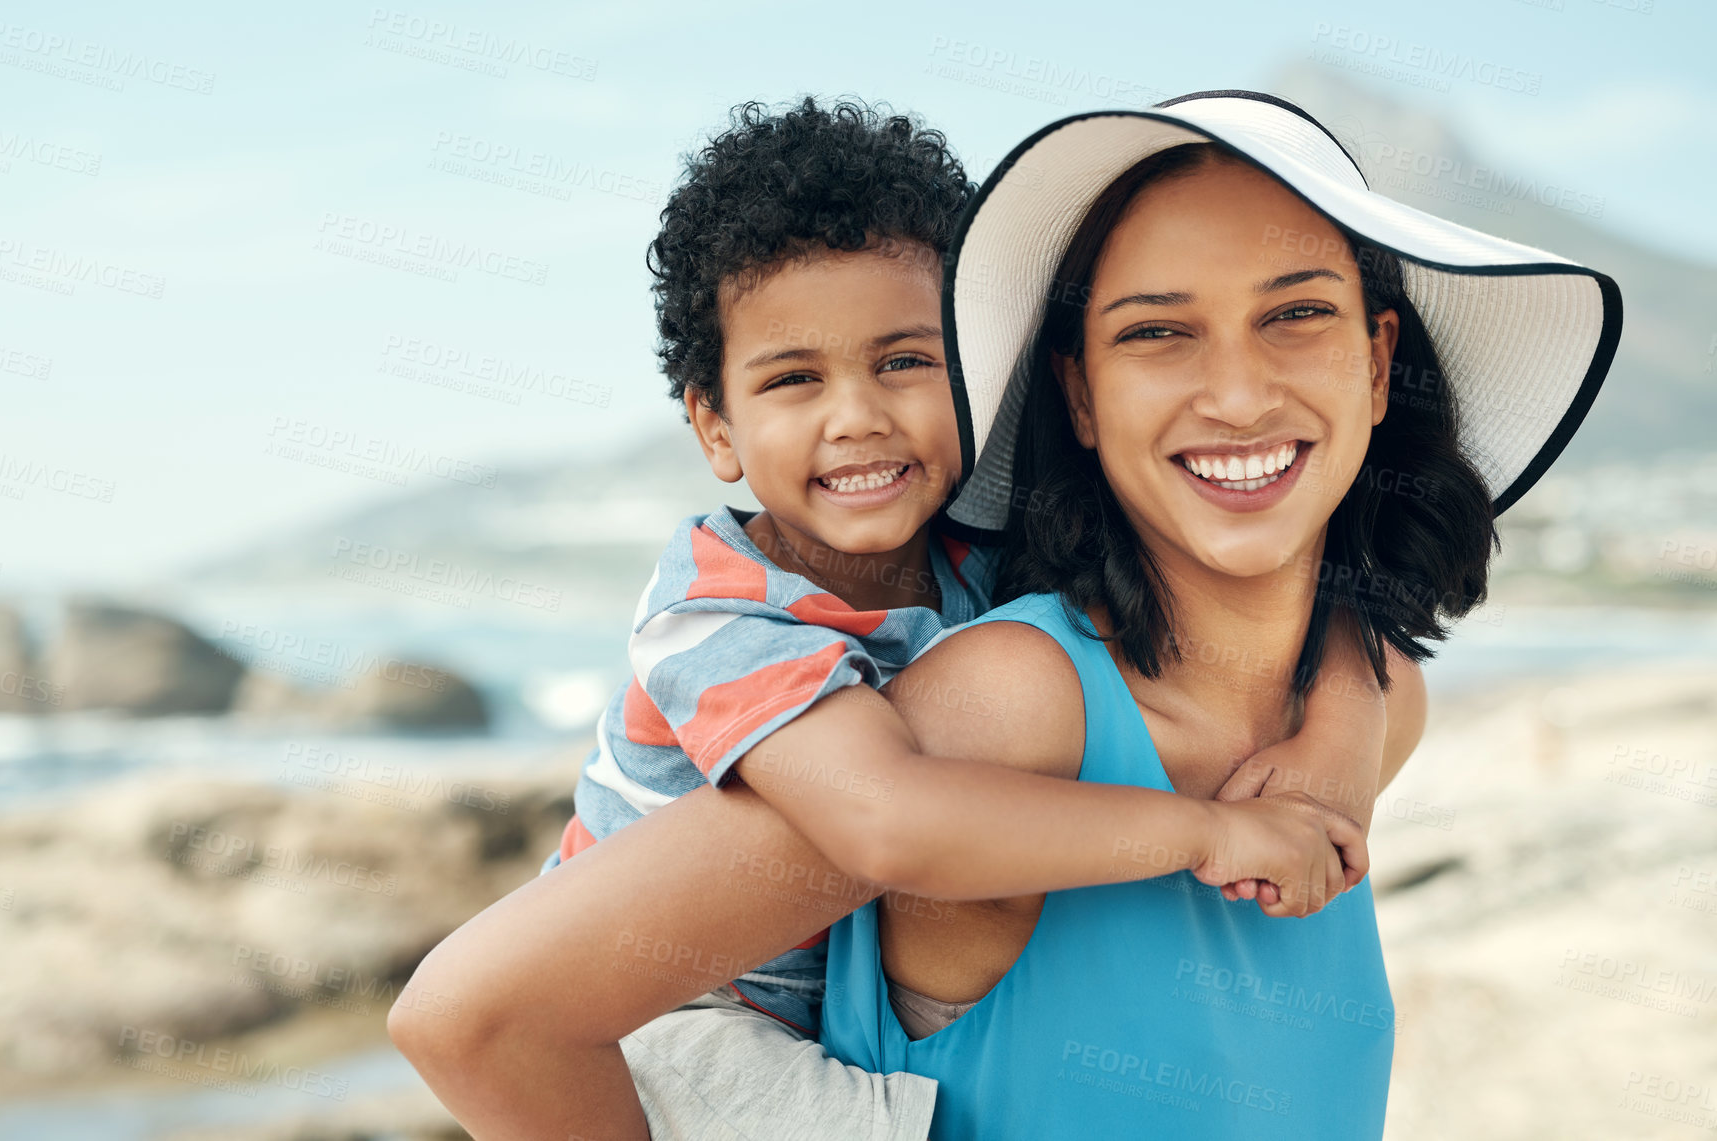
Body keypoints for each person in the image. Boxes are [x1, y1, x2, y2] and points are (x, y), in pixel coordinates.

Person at [389, 95, 1411, 1141]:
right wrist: (1203, 832)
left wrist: (1344, 730)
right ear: (715, 427)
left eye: (904, 361)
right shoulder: (719, 617)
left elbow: (1331, 618)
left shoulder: (979, 560)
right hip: (688, 1021)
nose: (858, 416)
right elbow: (887, 821)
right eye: (794, 378)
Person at [818, 90, 1621, 1138]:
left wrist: (1352, 698)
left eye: (1293, 314)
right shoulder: (1004, 710)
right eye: (1155, 331)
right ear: (1080, 397)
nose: (1237, 397)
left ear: (1377, 364)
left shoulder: (1375, 700)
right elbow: (534, 1000)